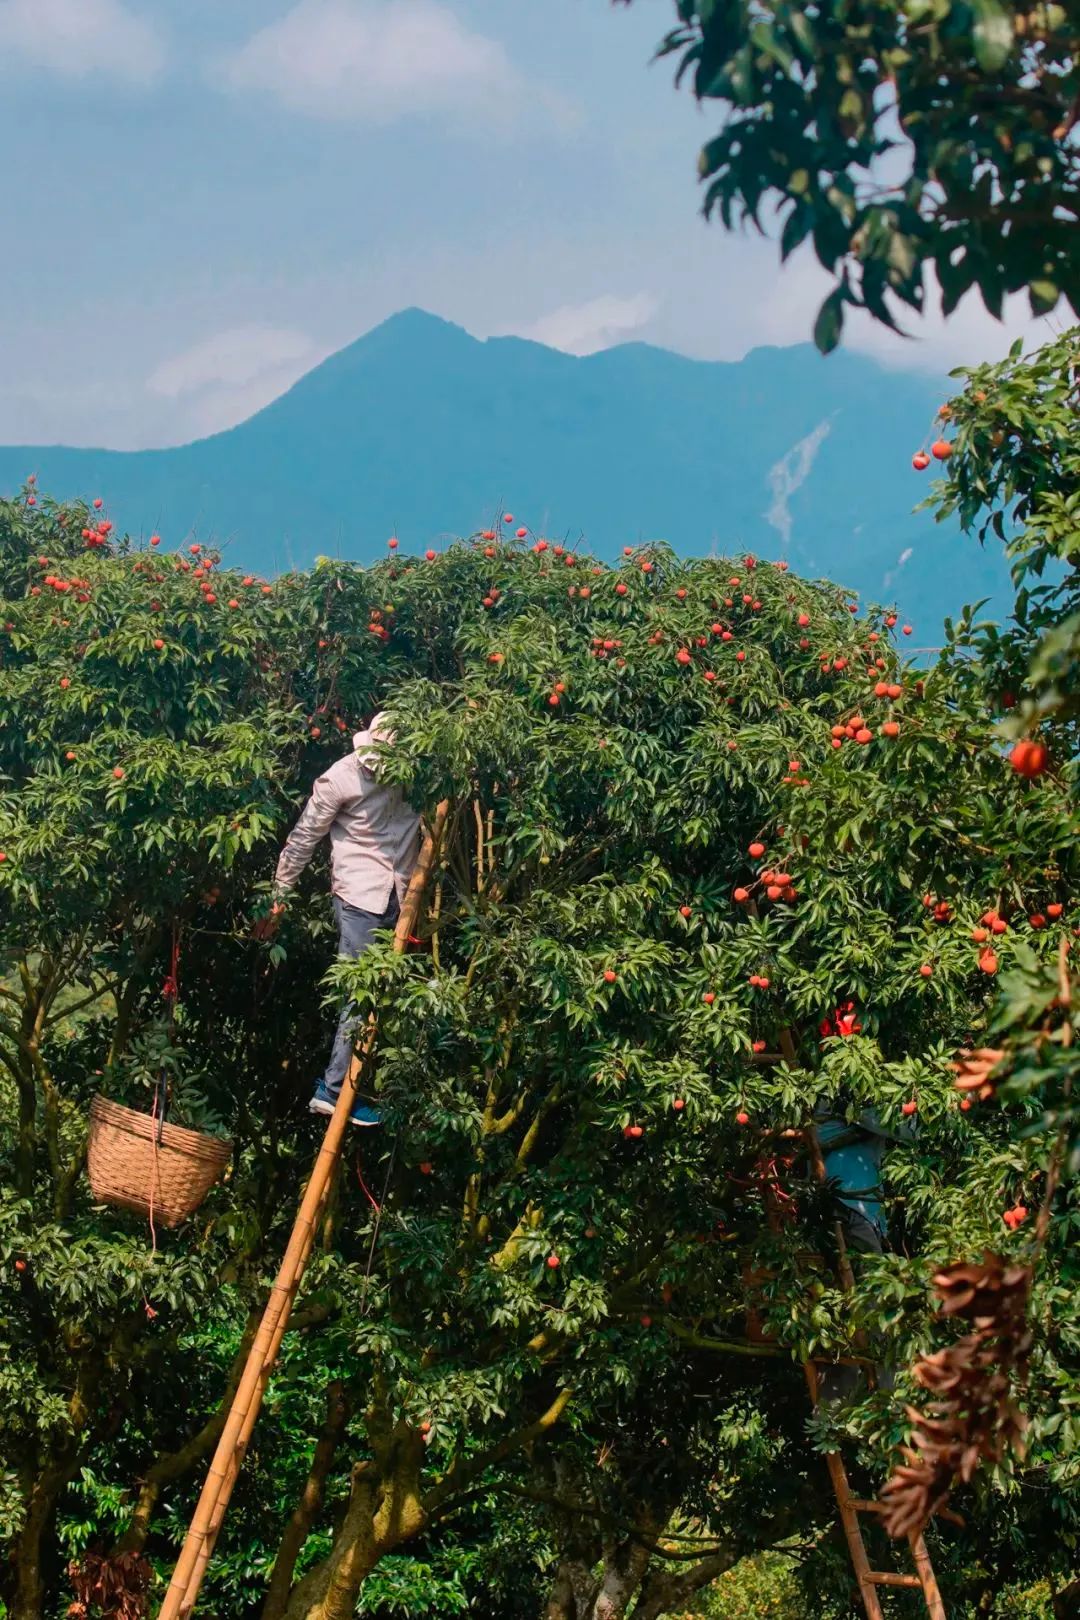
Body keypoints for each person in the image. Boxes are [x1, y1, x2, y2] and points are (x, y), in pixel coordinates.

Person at [259, 711, 421, 1127]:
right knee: (359, 991)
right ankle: (333, 1090)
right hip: (359, 896)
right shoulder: (341, 778)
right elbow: (304, 838)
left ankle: (353, 1087)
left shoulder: (415, 775)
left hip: (401, 894)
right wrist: (279, 896)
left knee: (385, 996)